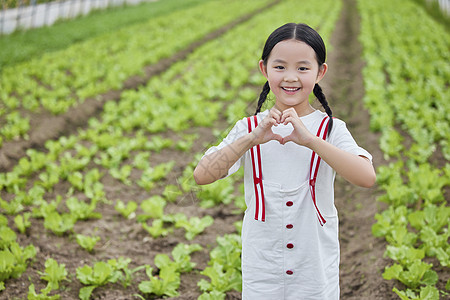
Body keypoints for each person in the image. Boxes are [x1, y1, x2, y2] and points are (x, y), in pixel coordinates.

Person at [193, 23, 376, 300]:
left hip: (314, 270)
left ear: (320, 72)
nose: (290, 77)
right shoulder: (250, 128)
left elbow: (366, 177)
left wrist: (311, 141)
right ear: (264, 69)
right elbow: (201, 175)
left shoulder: (330, 129)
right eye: (280, 67)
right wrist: (251, 139)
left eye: (303, 68)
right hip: (261, 270)